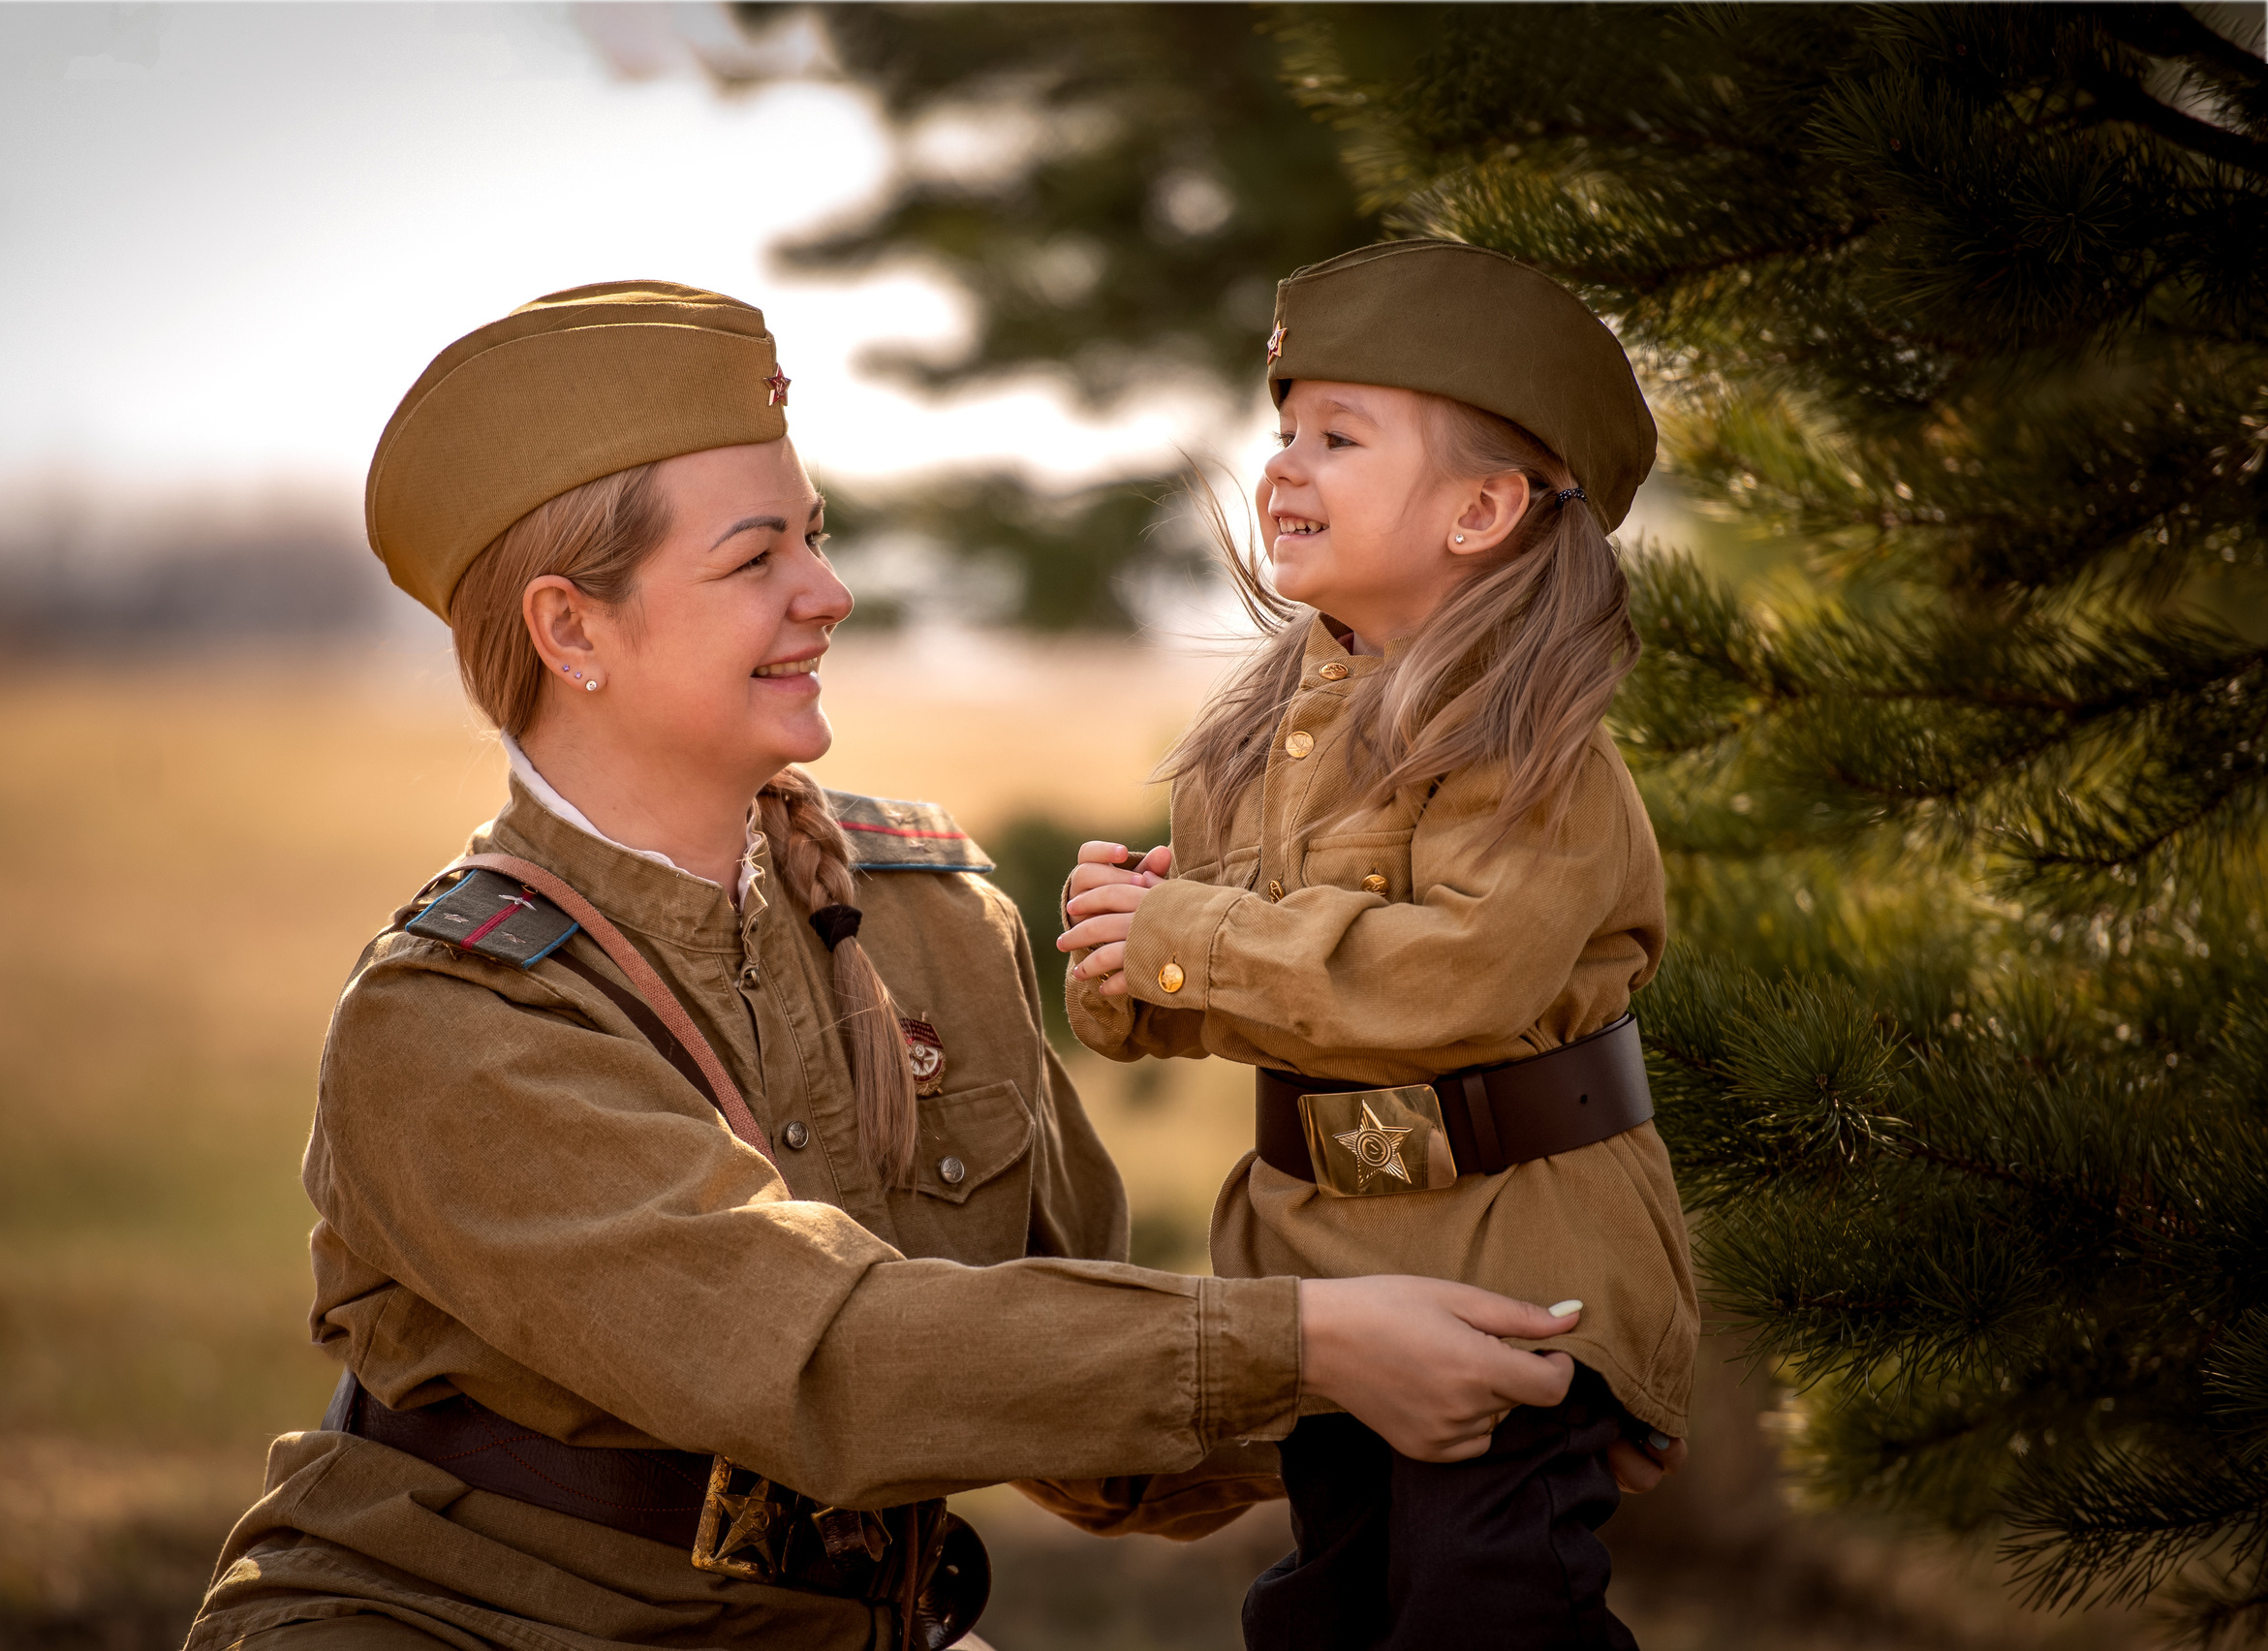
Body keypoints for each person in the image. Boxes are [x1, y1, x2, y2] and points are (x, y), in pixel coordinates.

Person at [182, 279, 1603, 1651]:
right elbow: (830, 1359)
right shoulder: (452, 1024)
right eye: (756, 560)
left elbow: (1083, 1396)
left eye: (816, 534)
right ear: (571, 629)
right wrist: (1318, 1348)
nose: (830, 590)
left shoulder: (926, 915)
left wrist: (1499, 1400)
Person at [1058, 241, 1697, 1651]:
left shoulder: (1537, 758)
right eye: (1285, 432)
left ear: (1482, 508)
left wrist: (1197, 939)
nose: (1285, 466)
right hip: (1319, 1254)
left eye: (1339, 438)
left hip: (1516, 1247)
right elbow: (1235, 990)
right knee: (1330, 1603)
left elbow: (1457, 975)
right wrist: (1129, 957)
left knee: (1486, 1609)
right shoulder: (1254, 736)